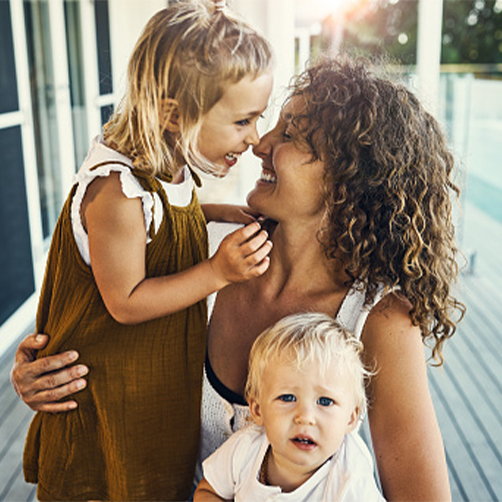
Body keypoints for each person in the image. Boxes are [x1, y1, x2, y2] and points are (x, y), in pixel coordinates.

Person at [11, 56, 464, 501]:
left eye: (290, 135)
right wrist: (44, 372)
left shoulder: (376, 318)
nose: (260, 144)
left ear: (348, 178)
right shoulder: (200, 251)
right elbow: (107, 326)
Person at [16, 1, 273, 500]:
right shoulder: (116, 189)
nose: (255, 137)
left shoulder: (168, 172)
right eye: (243, 120)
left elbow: (164, 224)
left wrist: (214, 211)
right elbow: (127, 299)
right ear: (175, 114)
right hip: (104, 412)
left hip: (147, 401)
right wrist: (218, 271)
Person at [194, 312, 384, 501]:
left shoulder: (350, 481)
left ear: (351, 418)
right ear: (258, 410)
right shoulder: (246, 448)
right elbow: (208, 492)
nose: (305, 416)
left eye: (325, 401)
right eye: (287, 398)